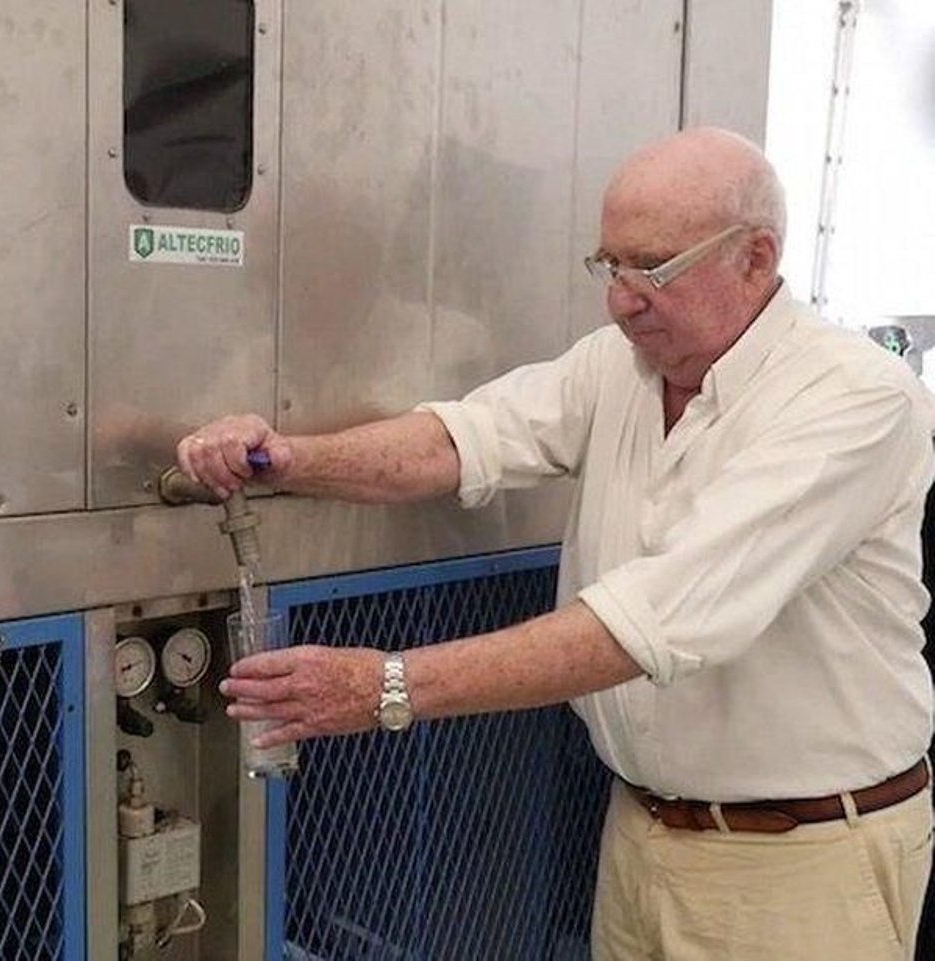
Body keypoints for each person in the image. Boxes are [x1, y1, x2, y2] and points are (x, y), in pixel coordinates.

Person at [177, 127, 935, 960]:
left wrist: (386, 686)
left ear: (756, 258)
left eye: (653, 267)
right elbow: (465, 438)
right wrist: (290, 459)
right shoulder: (619, 366)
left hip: (801, 863)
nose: (620, 298)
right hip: (642, 832)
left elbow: (658, 616)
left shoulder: (853, 397)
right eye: (609, 265)